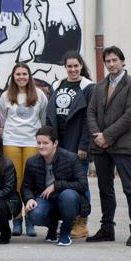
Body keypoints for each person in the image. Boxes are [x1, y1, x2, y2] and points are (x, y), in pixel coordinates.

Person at [86, 46, 131, 246]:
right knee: (105, 189)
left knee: (130, 188)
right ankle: (107, 228)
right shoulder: (100, 86)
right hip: (101, 146)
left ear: (122, 61)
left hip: (123, 145)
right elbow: (91, 112)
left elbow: (129, 117)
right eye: (108, 61)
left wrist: (107, 136)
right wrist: (98, 136)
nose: (111, 64)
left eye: (114, 60)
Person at [46, 51, 94, 238]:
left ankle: (82, 222)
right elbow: (51, 115)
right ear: (65, 67)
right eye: (69, 66)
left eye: (76, 66)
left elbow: (90, 119)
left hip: (77, 143)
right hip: (60, 143)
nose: (73, 69)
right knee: (63, 183)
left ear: (81, 66)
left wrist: (84, 145)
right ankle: (69, 220)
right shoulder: (57, 85)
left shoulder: (89, 87)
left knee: (81, 183)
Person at [0, 62, 47, 237]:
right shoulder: (5, 96)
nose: (21, 77)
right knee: (15, 182)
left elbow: (43, 118)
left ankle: (31, 219)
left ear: (29, 76)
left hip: (32, 142)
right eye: (17, 74)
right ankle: (17, 218)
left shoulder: (40, 95)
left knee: (30, 182)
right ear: (13, 76)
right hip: (11, 141)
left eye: (24, 74)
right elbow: (3, 119)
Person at [22, 126, 89, 247]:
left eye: (45, 143)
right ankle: (52, 226)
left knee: (68, 195)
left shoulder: (71, 158)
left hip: (67, 199)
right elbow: (26, 186)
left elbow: (83, 184)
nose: (41, 146)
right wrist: (29, 199)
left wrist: (56, 185)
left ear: (55, 143)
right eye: (38, 143)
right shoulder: (32, 162)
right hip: (46, 199)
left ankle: (65, 232)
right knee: (35, 214)